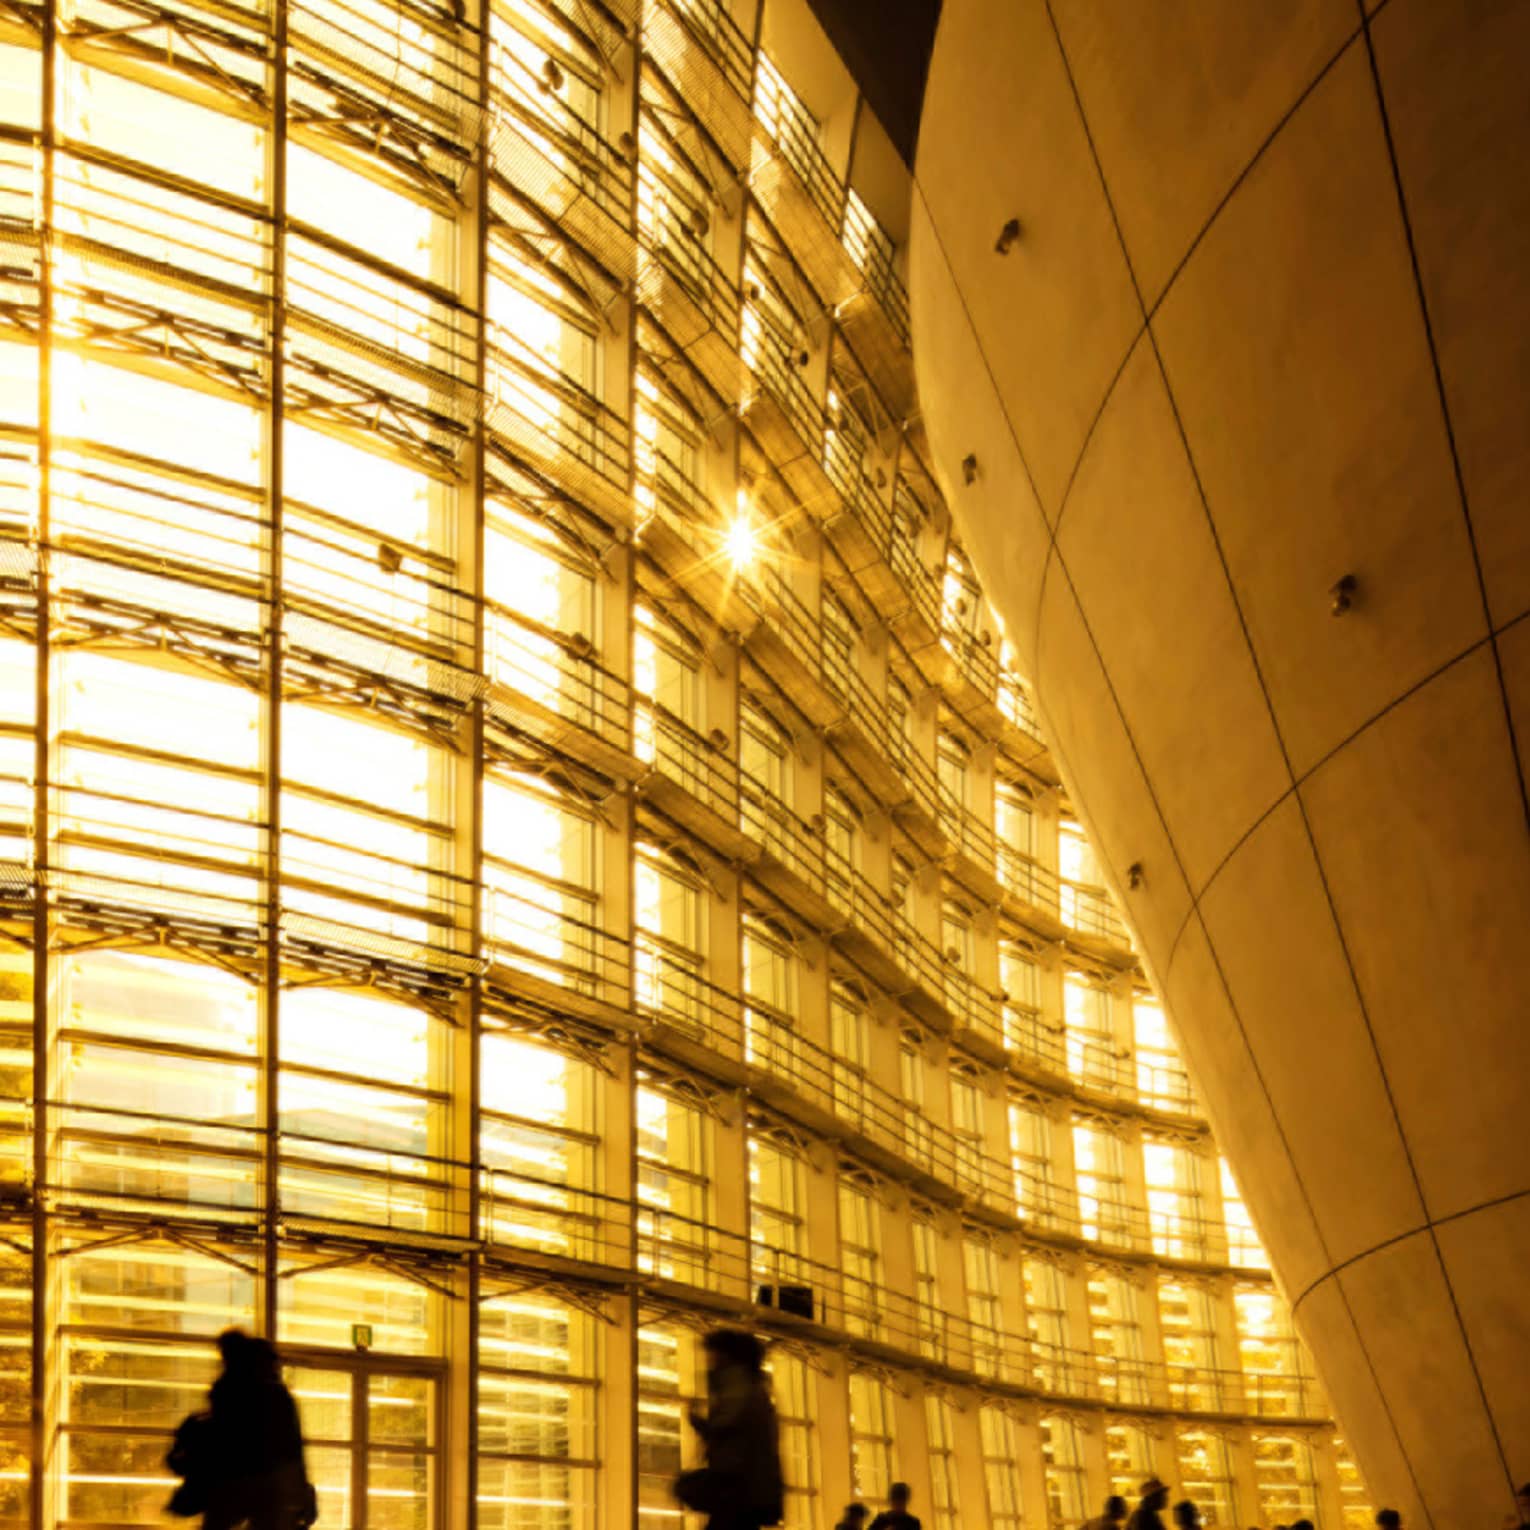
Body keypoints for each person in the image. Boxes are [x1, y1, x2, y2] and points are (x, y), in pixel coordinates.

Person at [169, 1329, 316, 1530]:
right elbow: (291, 1449)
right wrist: (303, 1490)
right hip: (266, 1485)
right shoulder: (276, 1397)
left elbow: (220, 1439)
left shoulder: (225, 1392)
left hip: (228, 1483)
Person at [678, 1328, 784, 1530]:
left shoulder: (738, 1385)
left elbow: (727, 1429)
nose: (709, 1360)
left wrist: (698, 1422)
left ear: (727, 1355)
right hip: (748, 1492)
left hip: (736, 1489)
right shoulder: (754, 1388)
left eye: (713, 1353)